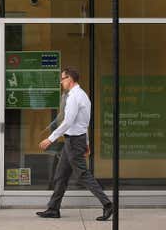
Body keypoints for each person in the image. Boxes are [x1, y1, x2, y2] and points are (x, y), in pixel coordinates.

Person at [36, 67, 113, 221]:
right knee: (61, 175)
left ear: (69, 79)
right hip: (74, 141)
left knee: (83, 175)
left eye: (62, 79)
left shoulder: (74, 97)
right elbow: (84, 123)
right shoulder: (83, 96)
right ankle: (53, 209)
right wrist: (87, 143)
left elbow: (68, 122)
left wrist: (50, 139)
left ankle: (108, 205)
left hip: (74, 142)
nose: (61, 82)